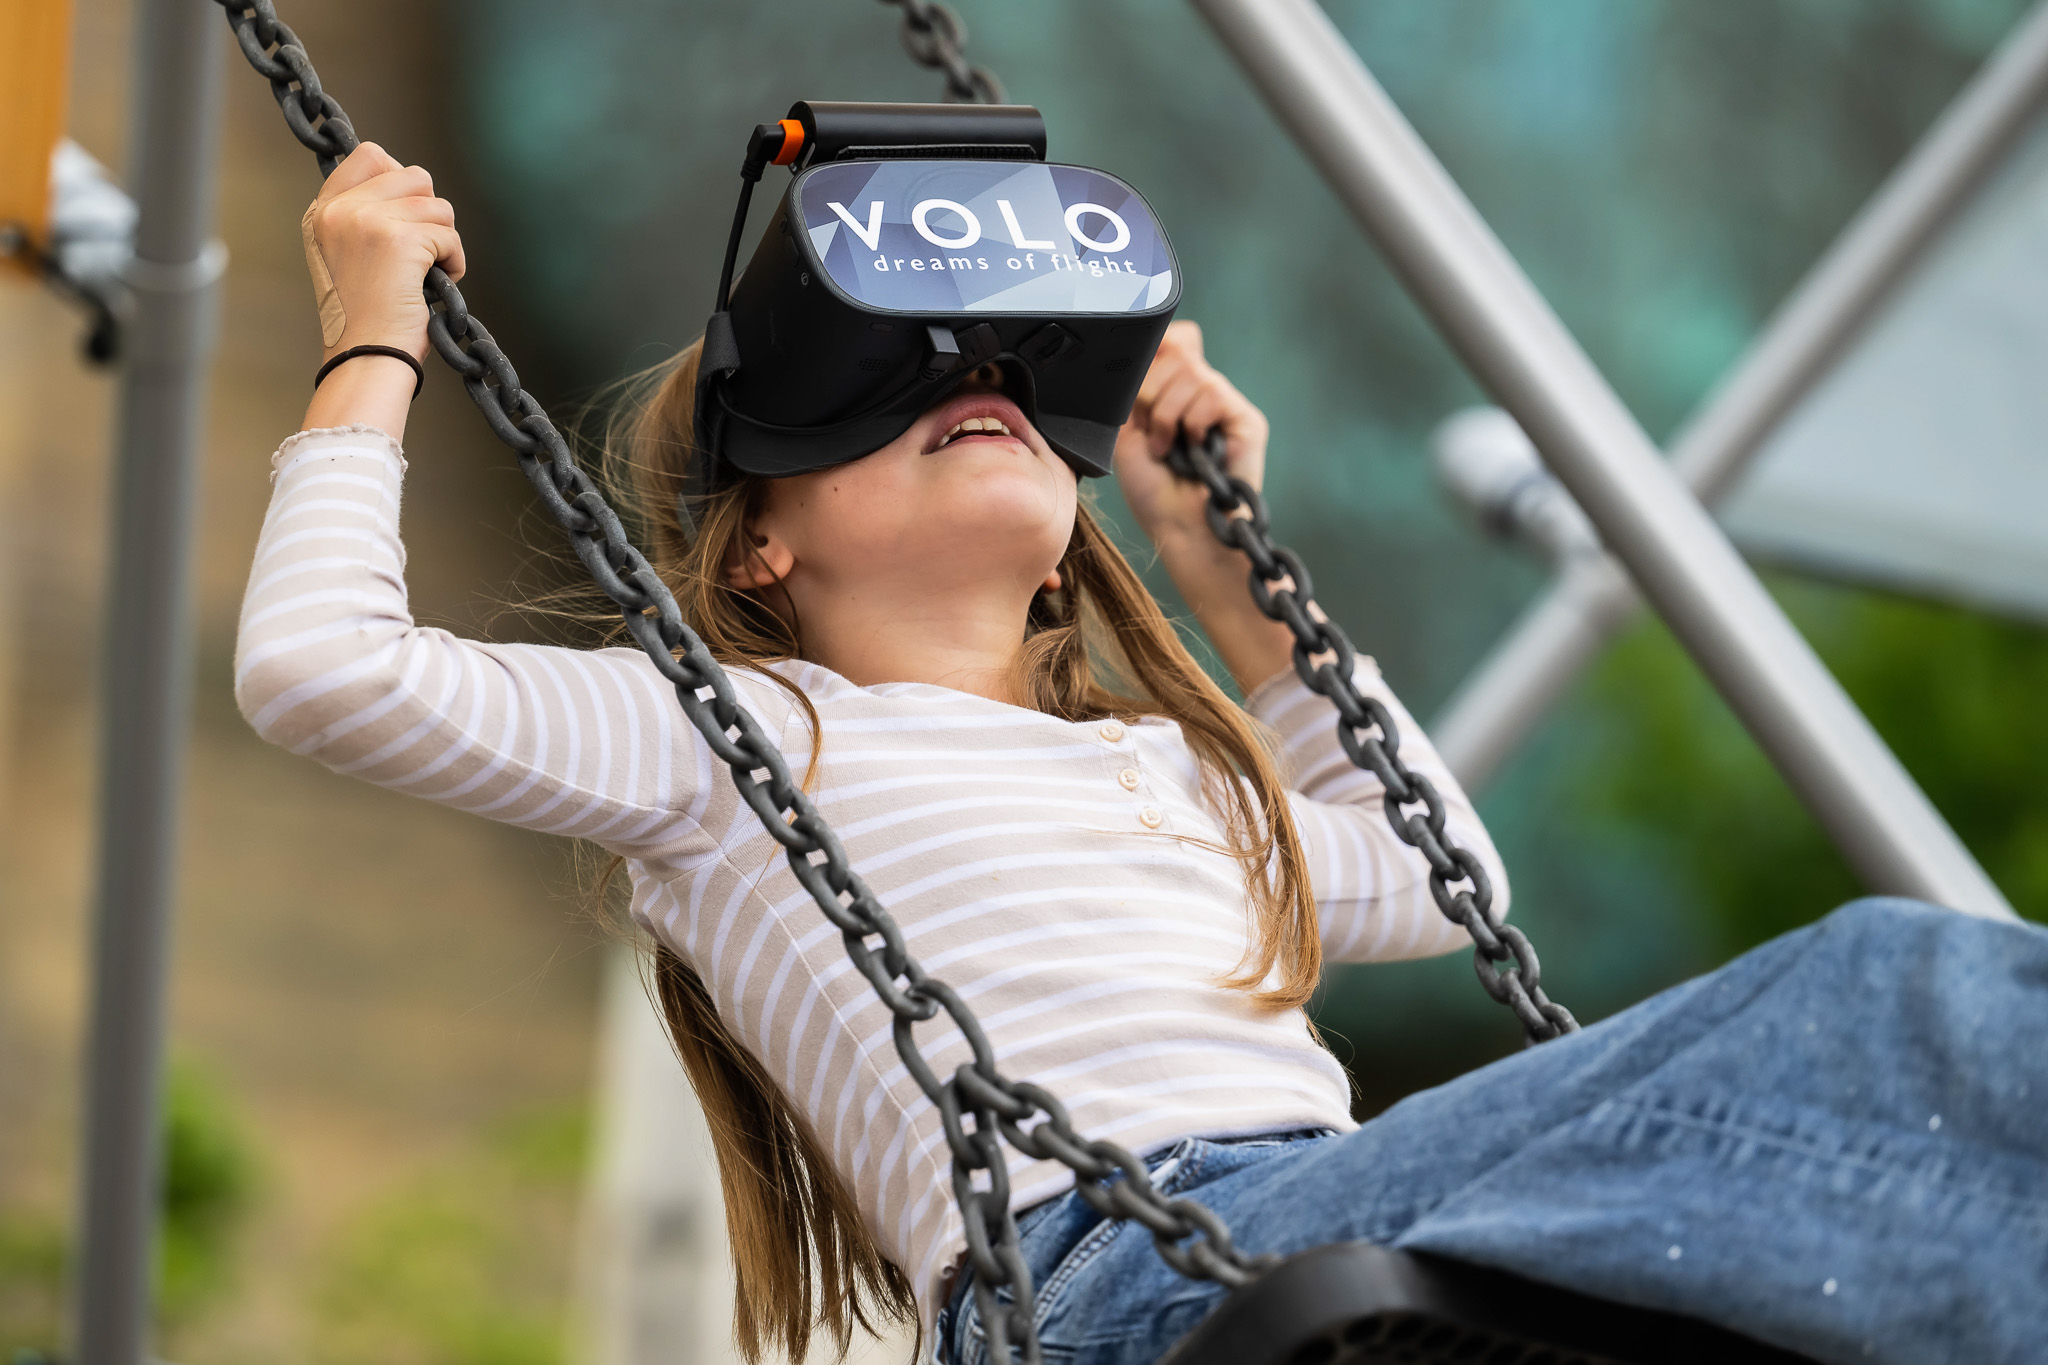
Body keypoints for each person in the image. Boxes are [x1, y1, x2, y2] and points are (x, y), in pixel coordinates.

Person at [239, 145, 2046, 1365]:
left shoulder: (1161, 771)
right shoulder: (732, 738)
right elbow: (324, 666)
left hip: (1324, 1205)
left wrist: (1224, 562)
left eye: (1022, 387)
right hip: (1125, 1267)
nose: (986, 387)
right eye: (902, 387)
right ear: (760, 544)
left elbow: (1437, 878)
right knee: (1893, 994)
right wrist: (374, 325)